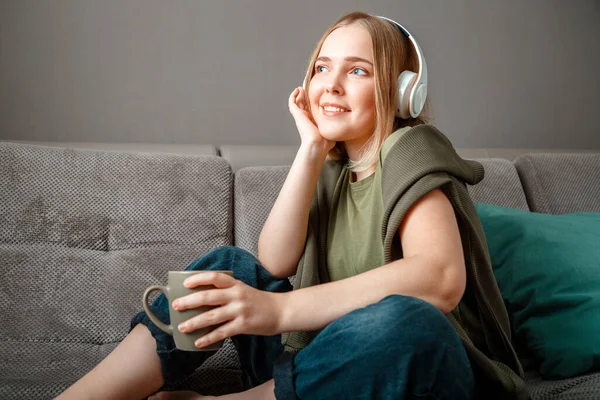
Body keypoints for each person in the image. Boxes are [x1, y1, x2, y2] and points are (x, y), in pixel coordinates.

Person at [58, 11, 527, 400]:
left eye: (357, 70)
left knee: (409, 322)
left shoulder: (411, 147)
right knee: (229, 266)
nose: (332, 84)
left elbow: (440, 280)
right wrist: (310, 150)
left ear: (404, 91)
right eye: (322, 68)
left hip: (418, 369)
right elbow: (273, 261)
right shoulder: (331, 165)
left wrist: (277, 312)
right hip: (321, 370)